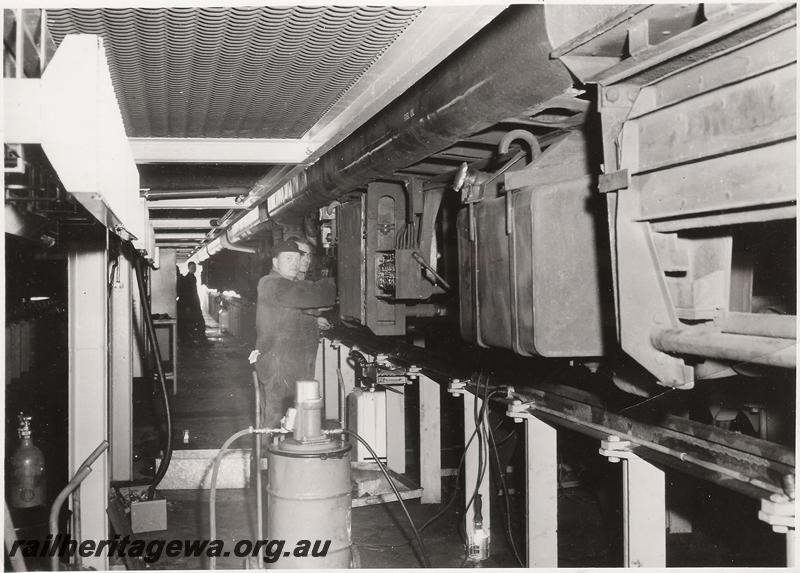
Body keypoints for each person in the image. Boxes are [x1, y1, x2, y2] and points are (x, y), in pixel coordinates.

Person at [254, 239, 336, 428]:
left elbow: (310, 305)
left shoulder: (288, 285)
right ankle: (269, 456)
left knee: (295, 421)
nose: (295, 263)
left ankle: (287, 455)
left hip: (294, 364)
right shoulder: (273, 283)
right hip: (279, 366)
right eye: (288, 258)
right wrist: (340, 276)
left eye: (297, 259)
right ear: (275, 262)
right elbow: (321, 296)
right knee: (276, 421)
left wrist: (315, 315)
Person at [177, 262, 208, 345]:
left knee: (198, 322)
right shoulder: (188, 278)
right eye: (192, 267)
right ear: (188, 268)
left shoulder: (192, 277)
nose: (194, 269)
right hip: (192, 305)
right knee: (198, 322)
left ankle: (199, 339)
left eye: (194, 267)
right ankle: (200, 340)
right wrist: (187, 306)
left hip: (194, 304)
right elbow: (187, 294)